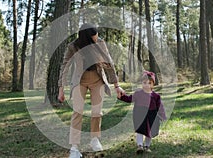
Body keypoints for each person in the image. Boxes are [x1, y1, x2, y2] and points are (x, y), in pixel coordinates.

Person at [57, 23, 125, 158]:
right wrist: (61, 88)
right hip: (79, 81)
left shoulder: (100, 43)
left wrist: (117, 85)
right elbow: (65, 66)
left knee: (96, 111)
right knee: (78, 111)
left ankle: (95, 139)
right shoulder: (73, 46)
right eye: (94, 36)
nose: (97, 38)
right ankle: (74, 147)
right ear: (87, 37)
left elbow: (109, 64)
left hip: (97, 80)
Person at [118, 71, 166, 154]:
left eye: (149, 83)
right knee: (140, 130)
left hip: (152, 115)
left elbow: (159, 106)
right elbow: (130, 99)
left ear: (152, 84)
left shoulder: (156, 96)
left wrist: (162, 115)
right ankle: (139, 146)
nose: (146, 85)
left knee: (150, 132)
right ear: (141, 83)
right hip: (140, 114)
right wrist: (121, 96)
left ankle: (147, 146)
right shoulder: (138, 93)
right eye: (144, 82)